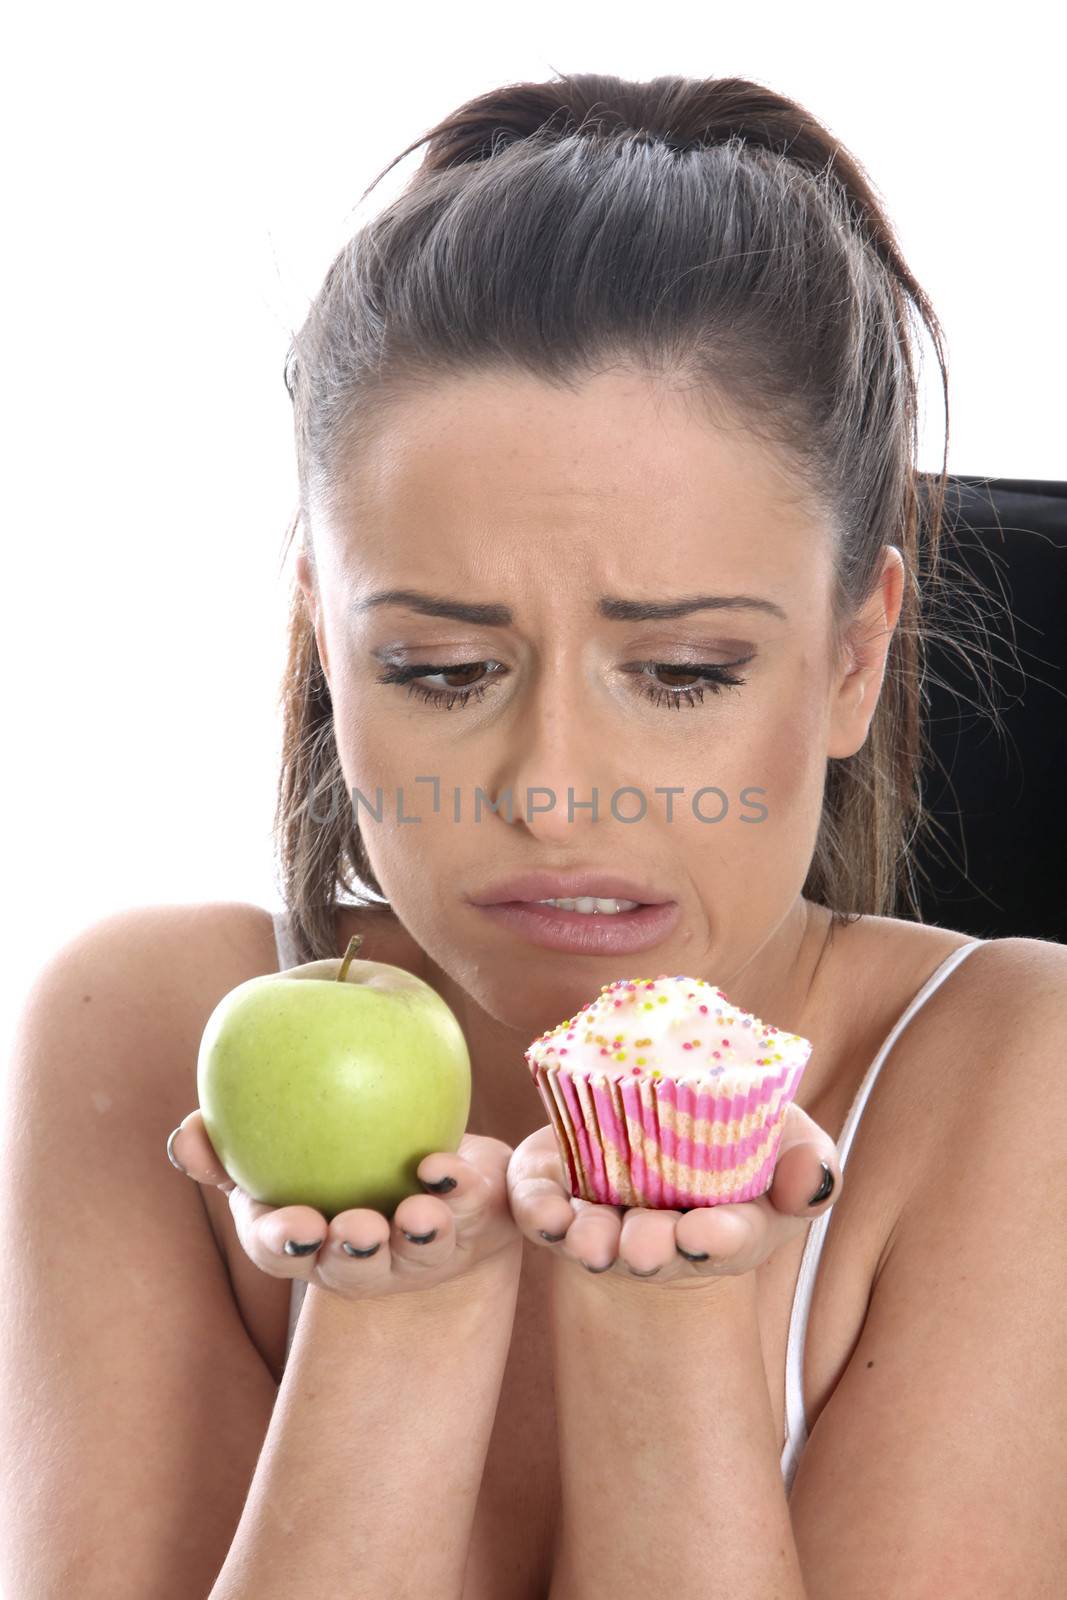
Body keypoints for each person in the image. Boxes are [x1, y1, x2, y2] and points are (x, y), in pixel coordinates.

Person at [4, 70, 1064, 1600]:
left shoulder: (1015, 1075)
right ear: (328, 642)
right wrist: (397, 1318)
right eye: (442, 671)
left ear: (852, 660)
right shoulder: (140, 1027)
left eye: (685, 674)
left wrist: (665, 1323)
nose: (556, 794)